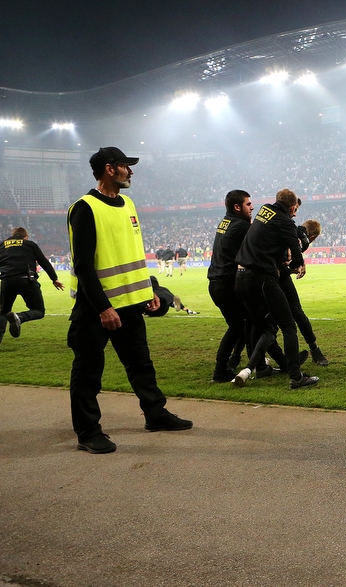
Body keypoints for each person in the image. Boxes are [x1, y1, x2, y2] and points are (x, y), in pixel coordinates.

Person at [67, 147, 192, 454]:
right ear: (110, 169)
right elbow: (83, 266)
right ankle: (87, 431)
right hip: (97, 307)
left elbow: (132, 255)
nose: (131, 171)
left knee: (141, 365)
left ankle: (155, 414)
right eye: (125, 166)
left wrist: (147, 289)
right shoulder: (84, 208)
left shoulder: (129, 204)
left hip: (131, 303)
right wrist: (103, 307)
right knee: (88, 371)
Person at [233, 188, 319, 390]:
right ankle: (296, 377)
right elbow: (297, 257)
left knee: (260, 325)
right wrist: (294, 265)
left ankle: (258, 368)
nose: (296, 214)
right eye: (295, 209)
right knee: (288, 325)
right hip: (261, 278)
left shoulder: (264, 210)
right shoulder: (285, 222)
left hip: (240, 277)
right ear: (291, 207)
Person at [207, 189, 253, 383]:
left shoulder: (225, 222)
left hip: (216, 282)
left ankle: (234, 361)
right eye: (248, 204)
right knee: (239, 325)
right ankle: (221, 370)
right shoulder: (240, 225)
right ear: (237, 207)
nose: (252, 207)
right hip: (226, 283)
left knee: (242, 323)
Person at [279, 217, 330, 366]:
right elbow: (283, 260)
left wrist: (300, 261)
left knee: (271, 321)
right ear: (312, 237)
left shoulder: (288, 231)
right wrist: (294, 267)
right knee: (295, 315)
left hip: (272, 275)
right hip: (274, 276)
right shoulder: (302, 239)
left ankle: (258, 361)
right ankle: (313, 351)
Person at [0, 227, 64, 344]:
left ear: (12, 235)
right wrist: (54, 279)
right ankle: (19, 317)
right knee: (39, 311)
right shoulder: (30, 244)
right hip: (27, 280)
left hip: (7, 281)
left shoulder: (2, 245)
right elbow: (43, 261)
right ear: (26, 237)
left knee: (3, 311)